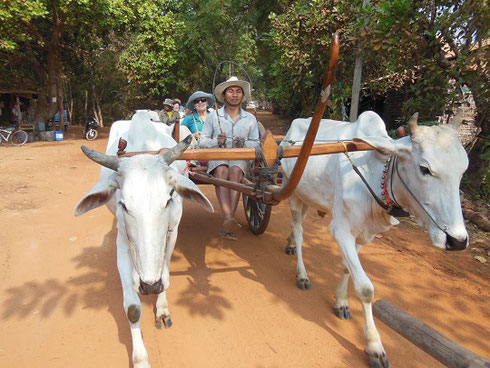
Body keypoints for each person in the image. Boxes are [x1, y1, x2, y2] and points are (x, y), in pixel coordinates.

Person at [199, 76, 260, 240]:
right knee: (221, 170)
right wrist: (216, 141)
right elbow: (202, 141)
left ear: (242, 95)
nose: (235, 95)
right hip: (218, 156)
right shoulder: (214, 117)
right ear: (224, 95)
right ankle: (229, 218)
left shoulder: (250, 119)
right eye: (231, 91)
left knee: (234, 171)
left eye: (238, 91)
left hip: (240, 159)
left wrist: (244, 142)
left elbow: (256, 144)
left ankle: (228, 219)